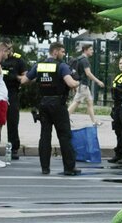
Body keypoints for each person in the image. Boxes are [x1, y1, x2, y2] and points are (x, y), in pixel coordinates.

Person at [22, 42, 80, 175]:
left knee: (45, 136)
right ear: (55, 52)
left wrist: (39, 79)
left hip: (43, 104)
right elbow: (70, 83)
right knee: (64, 136)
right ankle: (69, 168)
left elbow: (24, 80)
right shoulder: (62, 66)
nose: (63, 54)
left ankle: (45, 168)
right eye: (62, 52)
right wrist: (78, 82)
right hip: (58, 104)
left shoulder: (39, 65)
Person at [0, 38, 28, 160]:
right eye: (7, 48)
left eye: (10, 48)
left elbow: (26, 78)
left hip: (12, 92)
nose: (9, 50)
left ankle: (14, 148)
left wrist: (16, 77)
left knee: (12, 121)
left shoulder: (18, 60)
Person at [67, 44, 105, 126]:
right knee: (76, 102)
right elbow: (88, 73)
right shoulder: (85, 60)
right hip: (83, 85)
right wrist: (98, 81)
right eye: (91, 49)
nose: (92, 51)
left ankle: (94, 121)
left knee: (89, 102)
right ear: (85, 50)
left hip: (82, 85)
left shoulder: (80, 59)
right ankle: (65, 119)